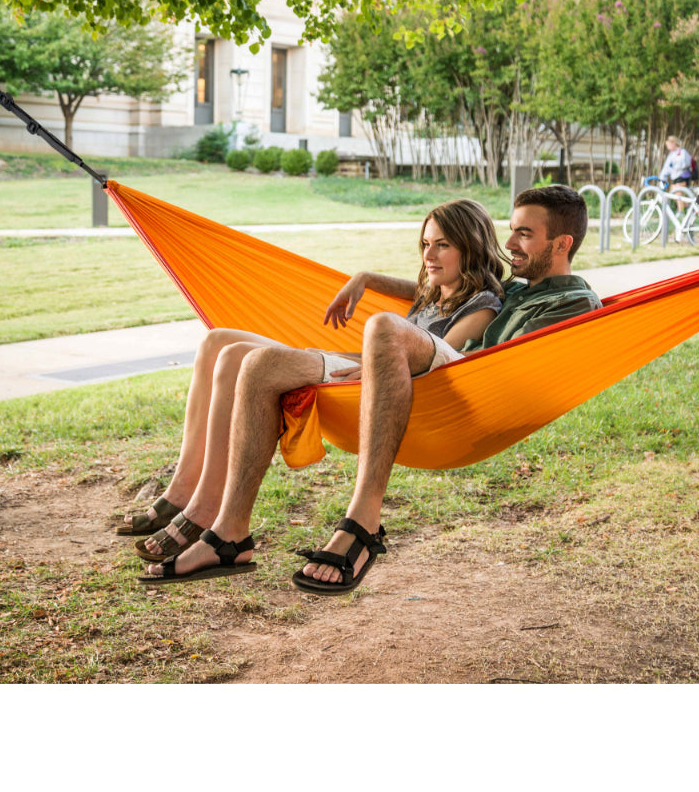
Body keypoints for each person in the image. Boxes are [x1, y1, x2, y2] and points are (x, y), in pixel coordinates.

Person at [154, 185, 602, 594]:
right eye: (510, 233)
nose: (509, 245)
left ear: (561, 244)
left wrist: (378, 356)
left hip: (461, 378)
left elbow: (504, 351)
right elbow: (448, 287)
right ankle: (201, 511)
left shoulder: (571, 300)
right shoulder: (516, 285)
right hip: (429, 362)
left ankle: (357, 523)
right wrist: (369, 278)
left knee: (373, 328)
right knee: (229, 347)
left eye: (524, 235)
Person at [122, 198, 506, 576]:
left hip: (377, 379)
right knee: (219, 344)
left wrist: (371, 367)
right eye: (425, 244)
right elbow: (416, 289)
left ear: (470, 246)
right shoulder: (437, 291)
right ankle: (185, 493)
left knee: (256, 363)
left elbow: (444, 363)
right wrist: (366, 278)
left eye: (443, 245)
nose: (429, 255)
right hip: (353, 359)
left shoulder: (481, 305)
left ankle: (221, 525)